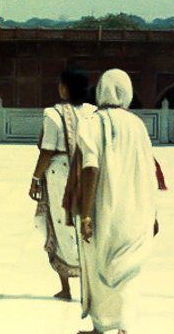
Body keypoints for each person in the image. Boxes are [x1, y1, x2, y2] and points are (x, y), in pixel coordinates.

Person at [76, 69, 157, 334]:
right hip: (136, 210)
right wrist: (153, 213)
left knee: (100, 266)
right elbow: (149, 172)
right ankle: (123, 325)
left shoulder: (91, 122)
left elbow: (90, 168)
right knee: (129, 269)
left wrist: (85, 214)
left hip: (103, 209)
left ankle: (106, 325)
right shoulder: (137, 125)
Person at [30, 67, 95, 300]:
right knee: (85, 226)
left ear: (65, 88)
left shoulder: (52, 114)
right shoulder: (93, 112)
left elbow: (47, 150)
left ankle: (66, 288)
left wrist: (35, 179)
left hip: (59, 173)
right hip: (87, 173)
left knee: (60, 226)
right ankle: (89, 287)